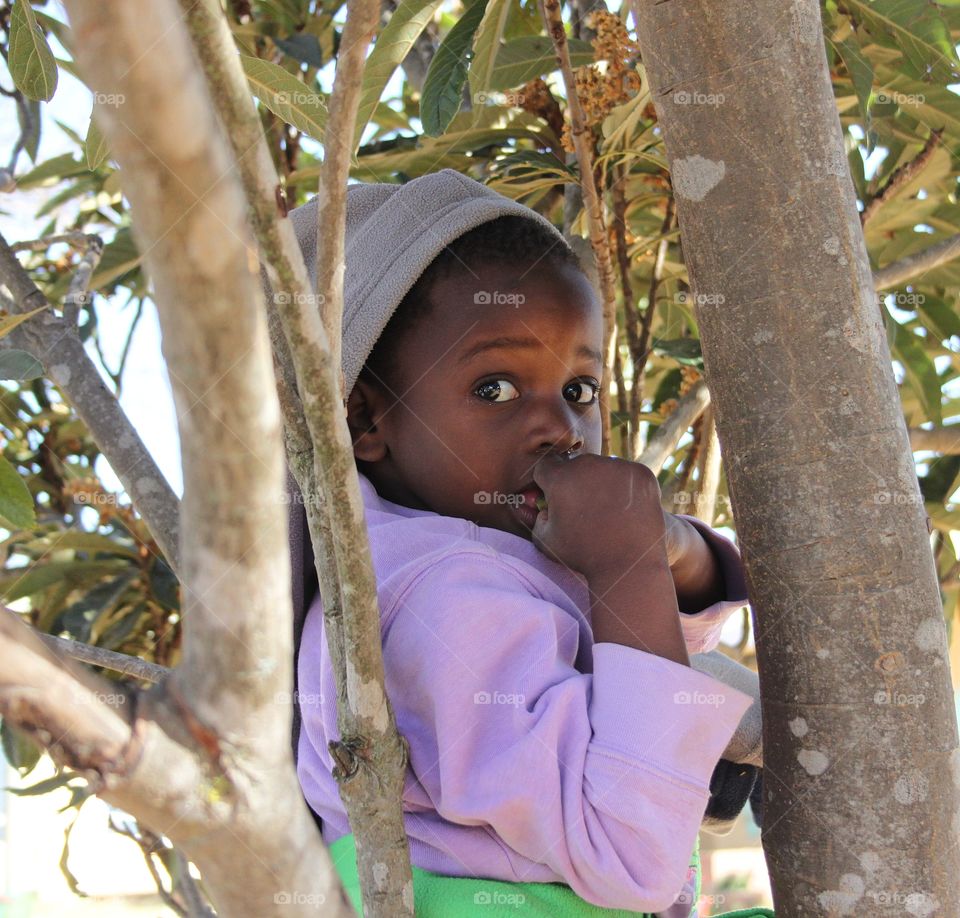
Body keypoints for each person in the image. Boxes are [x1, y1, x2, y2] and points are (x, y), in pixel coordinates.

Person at [275, 169, 773, 917]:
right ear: (365, 420)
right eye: (495, 389)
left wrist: (672, 553)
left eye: (579, 391)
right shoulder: (443, 600)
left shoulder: (438, 557)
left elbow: (633, 674)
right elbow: (630, 851)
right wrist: (626, 564)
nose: (560, 429)